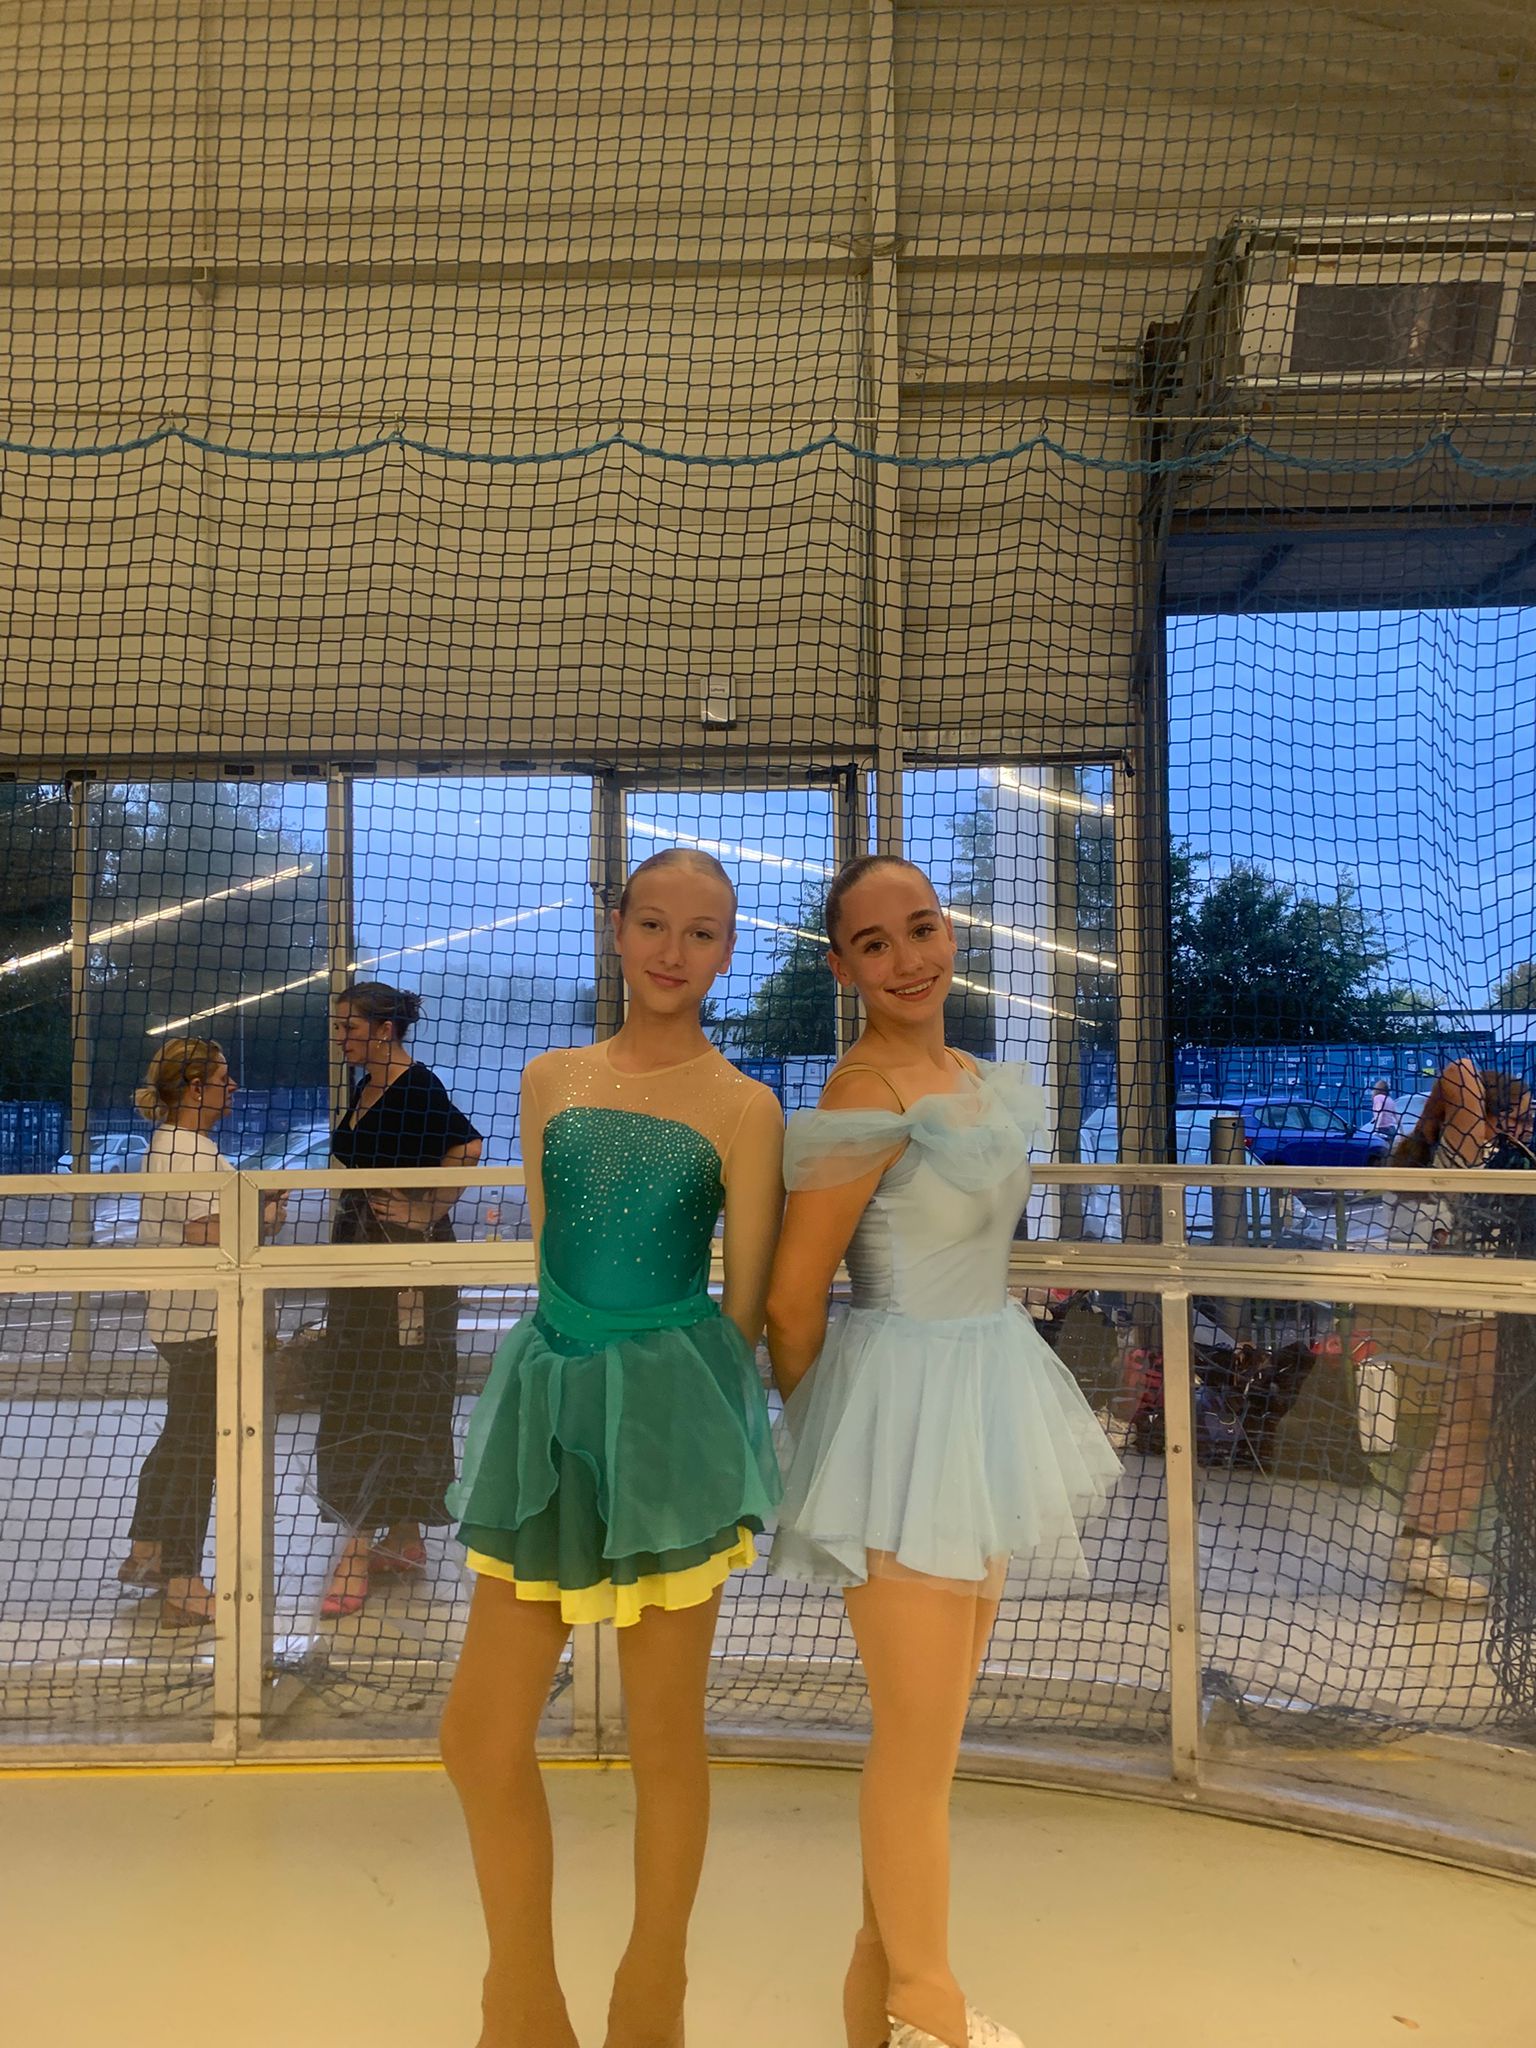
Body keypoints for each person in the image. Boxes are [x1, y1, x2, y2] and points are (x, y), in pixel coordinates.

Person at [765, 855, 1120, 2048]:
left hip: (984, 1401)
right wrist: (839, 1442)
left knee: (933, 1742)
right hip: (903, 1421)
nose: (907, 958)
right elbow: (793, 1301)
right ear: (843, 966)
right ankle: (930, 2004)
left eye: (921, 928)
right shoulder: (862, 1092)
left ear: (950, 932)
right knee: (915, 1748)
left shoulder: (973, 1076)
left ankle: (879, 2006)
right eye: (875, 943)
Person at [441, 848, 783, 2048]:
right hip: (548, 1411)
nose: (671, 950)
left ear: (726, 950)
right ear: (618, 927)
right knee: (479, 1731)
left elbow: (744, 1307)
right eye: (652, 922)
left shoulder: (745, 1106)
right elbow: (553, 1255)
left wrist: (681, 1412)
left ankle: (655, 1989)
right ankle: (520, 1996)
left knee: (663, 1731)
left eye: (701, 931)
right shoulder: (550, 1078)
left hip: (671, 1420)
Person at [319, 982, 483, 1617]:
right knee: (369, 1383)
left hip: (405, 1268)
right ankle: (406, 1535)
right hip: (362, 1259)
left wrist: (425, 1212)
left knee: (390, 1390)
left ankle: (358, 1548)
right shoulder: (365, 1087)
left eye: (349, 1027)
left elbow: (468, 1147)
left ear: (384, 1030)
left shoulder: (417, 1087)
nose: (340, 1037)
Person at [120, 1039, 284, 1628]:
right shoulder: (187, 1151)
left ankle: (147, 1551)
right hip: (201, 1325)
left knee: (179, 1437)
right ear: (195, 1088)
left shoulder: (176, 1145)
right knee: (198, 1453)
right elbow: (203, 1230)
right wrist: (265, 1213)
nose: (232, 1087)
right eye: (222, 1078)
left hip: (184, 1321)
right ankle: (183, 1585)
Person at [1396, 1059, 1536, 1603]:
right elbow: (1458, 1071)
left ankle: (1419, 1554)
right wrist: (1439, 1116)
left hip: (1492, 1313)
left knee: (1467, 1433)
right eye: (1518, 1117)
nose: (1526, 1128)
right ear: (1490, 1116)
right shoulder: (1471, 1150)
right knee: (1516, 1433)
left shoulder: (1503, 1157)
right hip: (1484, 1316)